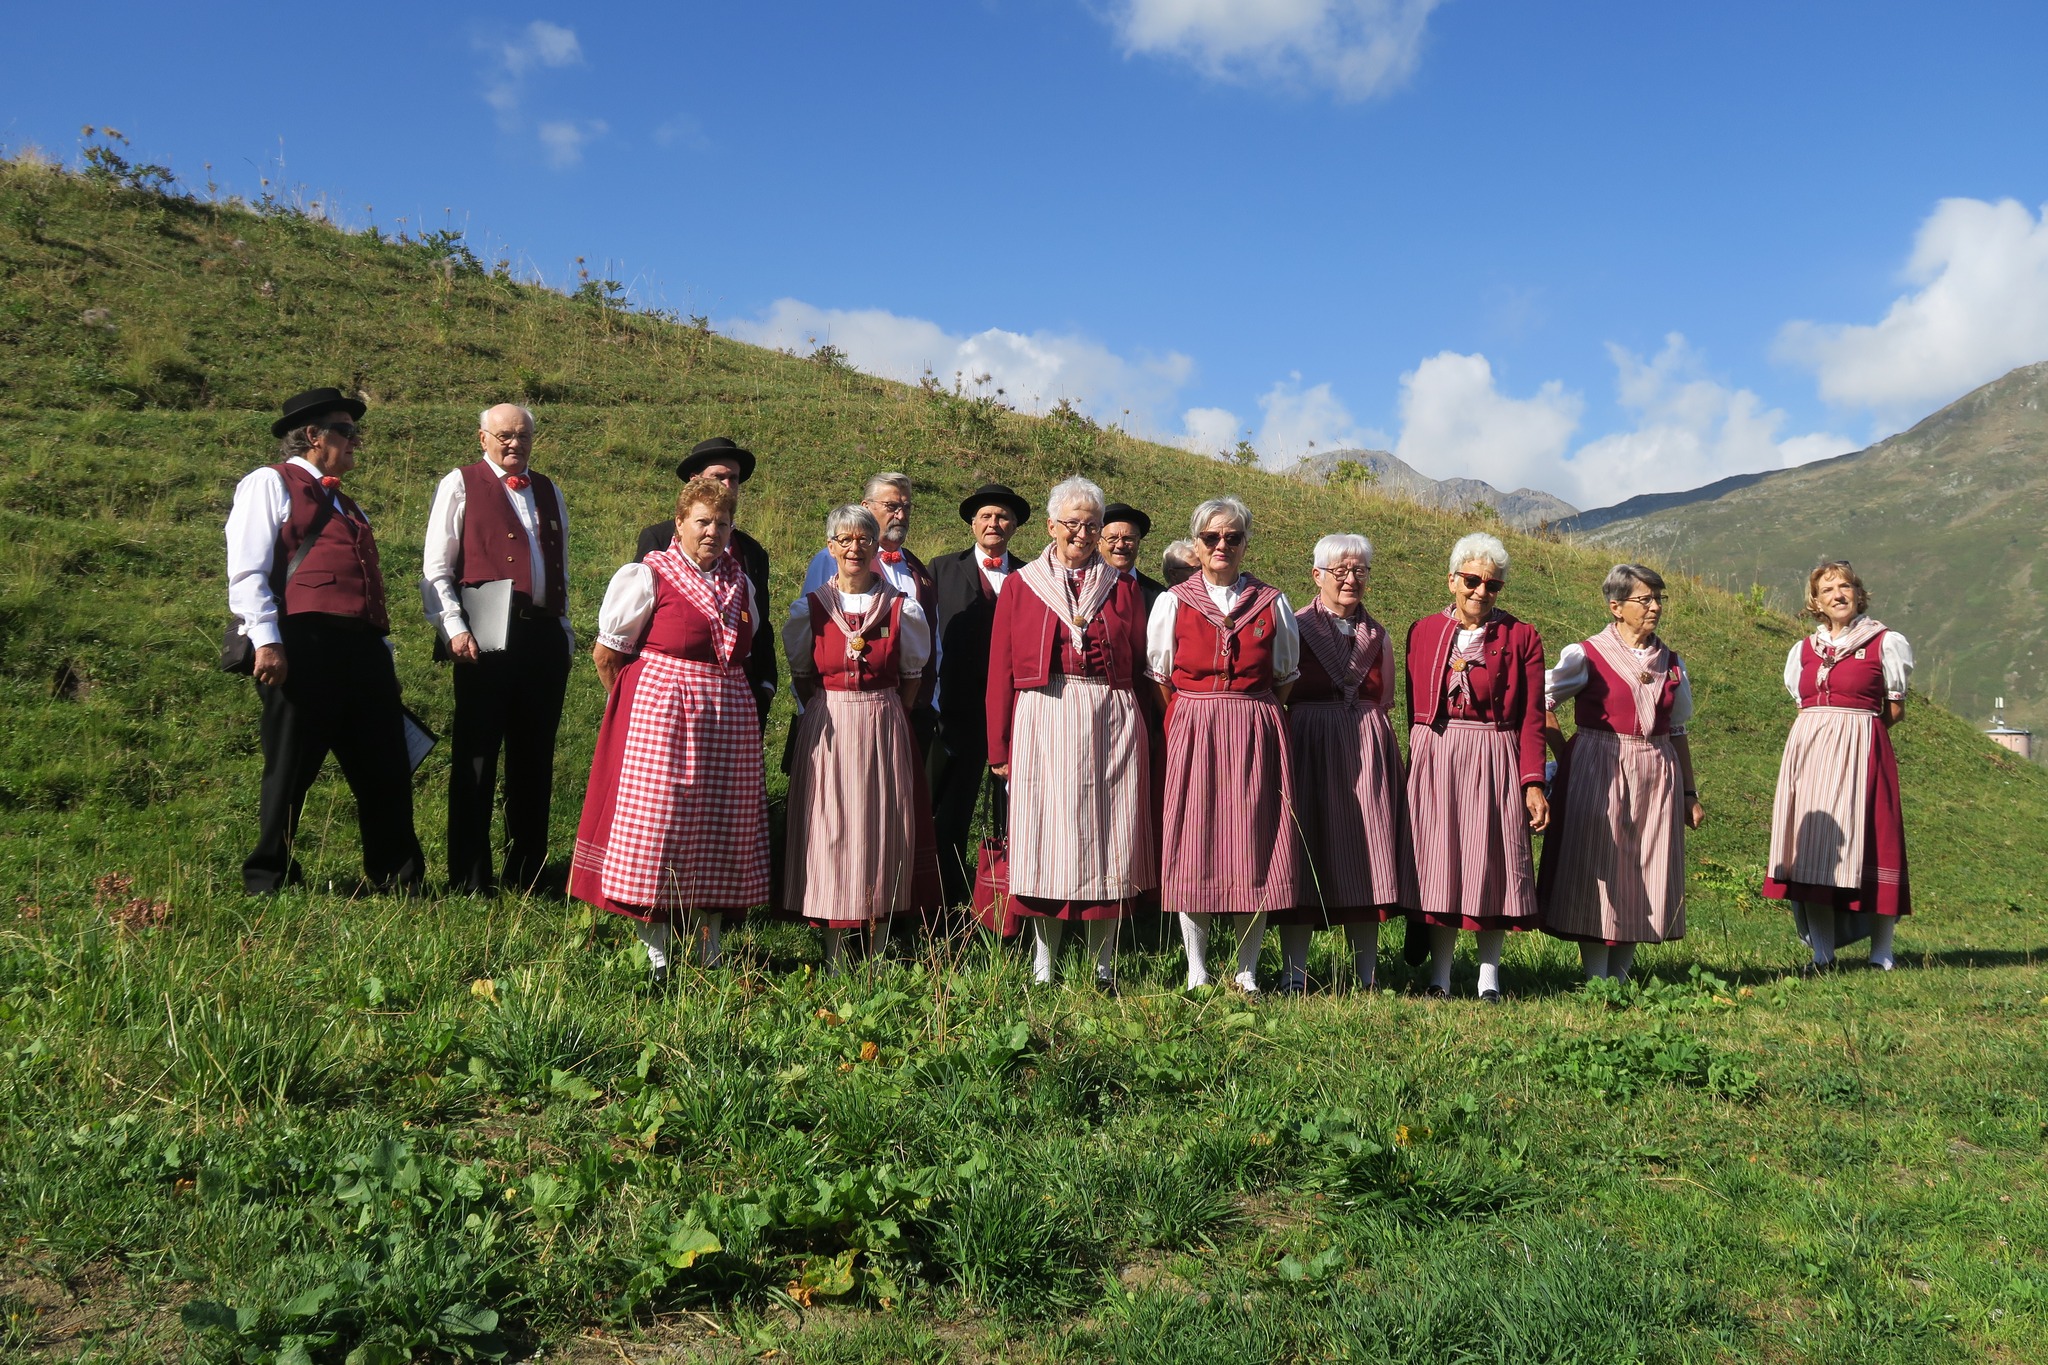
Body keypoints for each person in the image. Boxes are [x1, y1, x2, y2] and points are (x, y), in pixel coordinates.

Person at [570, 476, 769, 988]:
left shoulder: (740, 583)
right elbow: (608, 653)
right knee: (660, 825)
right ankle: (654, 952)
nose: (713, 532)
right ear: (679, 523)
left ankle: (711, 948)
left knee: (723, 823)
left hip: (727, 717)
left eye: (722, 523)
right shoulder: (649, 576)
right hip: (663, 716)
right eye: (702, 521)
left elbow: (744, 648)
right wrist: (635, 706)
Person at [227, 387, 425, 895]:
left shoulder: (346, 502)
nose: (357, 440)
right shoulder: (269, 483)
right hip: (302, 644)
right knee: (290, 767)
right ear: (313, 436)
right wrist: (268, 641)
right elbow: (248, 570)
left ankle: (398, 877)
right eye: (346, 430)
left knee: (385, 766)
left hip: (361, 651)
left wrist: (381, 650)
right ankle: (267, 877)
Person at [987, 477, 1156, 988]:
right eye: (1072, 524)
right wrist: (999, 746)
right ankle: (1044, 965)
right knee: (1046, 841)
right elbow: (1000, 669)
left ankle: (1103, 965)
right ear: (1050, 526)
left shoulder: (1123, 587)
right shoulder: (1023, 584)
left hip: (1110, 718)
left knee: (1109, 840)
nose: (1082, 534)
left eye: (1091, 525)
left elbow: (1145, 663)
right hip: (1045, 717)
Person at [1147, 496, 1302, 992]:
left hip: (1254, 724)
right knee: (1195, 843)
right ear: (1196, 544)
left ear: (1244, 543)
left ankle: (1247, 970)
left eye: (1232, 538)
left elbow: (1284, 675)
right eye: (1212, 537)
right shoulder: (1172, 602)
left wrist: (1249, 711)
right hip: (1193, 725)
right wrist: (1191, 715)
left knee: (1252, 843)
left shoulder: (1270, 601)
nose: (1221, 546)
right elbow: (1160, 676)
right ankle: (1197, 968)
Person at [420, 403, 574, 895]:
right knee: (478, 755)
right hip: (484, 635)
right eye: (505, 435)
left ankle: (528, 872)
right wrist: (452, 626)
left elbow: (560, 565)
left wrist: (565, 632)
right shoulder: (460, 483)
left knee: (534, 758)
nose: (515, 444)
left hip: (543, 637)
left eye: (523, 435)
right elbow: (436, 565)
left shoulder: (549, 490)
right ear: (482, 438)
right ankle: (468, 876)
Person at [784, 506, 940, 971]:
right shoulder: (810, 608)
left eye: (864, 540)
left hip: (883, 721)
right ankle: (834, 953)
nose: (855, 548)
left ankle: (875, 949)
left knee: (884, 827)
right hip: (829, 722)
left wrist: (883, 707)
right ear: (830, 547)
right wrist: (838, 703)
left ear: (877, 548)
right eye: (845, 540)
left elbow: (912, 675)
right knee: (830, 829)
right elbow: (803, 674)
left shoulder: (901, 607)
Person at [1538, 564, 1705, 980]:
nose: (1654, 607)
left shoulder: (1670, 662)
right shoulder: (1587, 654)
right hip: (1599, 765)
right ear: (1616, 606)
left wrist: (1689, 792)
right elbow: (1540, 701)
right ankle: (1597, 975)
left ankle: (1623, 974)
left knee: (1643, 868)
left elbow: (1678, 728)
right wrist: (1567, 752)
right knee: (1597, 863)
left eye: (1657, 600)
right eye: (1644, 599)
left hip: (1655, 771)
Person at [1403, 533, 1548, 1000]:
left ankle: (1489, 979)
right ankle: (1440, 977)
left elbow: (1531, 717)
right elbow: (1413, 708)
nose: (1480, 592)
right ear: (1452, 581)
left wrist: (1532, 781)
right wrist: (1418, 761)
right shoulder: (1423, 632)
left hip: (1494, 754)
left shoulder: (1521, 636)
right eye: (1471, 580)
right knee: (1441, 864)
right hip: (1439, 757)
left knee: (1493, 864)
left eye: (1492, 585)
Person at [1275, 534, 1417, 992]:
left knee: (1368, 852)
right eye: (1340, 571)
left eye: (1359, 571)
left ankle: (1367, 975)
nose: (1350, 579)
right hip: (1309, 748)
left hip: (1366, 754)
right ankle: (1294, 974)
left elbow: (1386, 698)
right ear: (1317, 575)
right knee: (1304, 849)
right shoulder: (1293, 627)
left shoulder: (1379, 635)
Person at [1760, 561, 1913, 973]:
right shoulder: (1803, 651)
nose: (1838, 595)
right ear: (1816, 601)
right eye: (1828, 590)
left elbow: (1894, 709)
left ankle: (1882, 951)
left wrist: (1860, 734)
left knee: (1875, 842)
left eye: (1845, 587)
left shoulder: (1885, 641)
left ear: (1859, 594)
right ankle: (1822, 953)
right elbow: (1803, 703)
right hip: (1809, 754)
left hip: (1863, 747)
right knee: (1812, 844)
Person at [929, 483, 1030, 911]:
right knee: (949, 813)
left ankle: (1008, 905)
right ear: (973, 523)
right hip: (956, 713)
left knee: (1015, 816)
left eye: (1003, 517)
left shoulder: (1031, 576)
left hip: (1015, 716)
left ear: (1015, 527)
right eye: (986, 516)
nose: (994, 523)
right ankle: (947, 901)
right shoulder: (939, 570)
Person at [637, 438, 777, 730]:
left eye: (733, 478)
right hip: (671, 698)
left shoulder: (752, 552)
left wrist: (765, 685)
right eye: (719, 476)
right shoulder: (658, 541)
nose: (727, 485)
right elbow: (639, 622)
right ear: (695, 481)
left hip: (740, 693)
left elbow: (761, 625)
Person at [803, 473, 940, 760]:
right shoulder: (831, 560)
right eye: (892, 506)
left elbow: (933, 643)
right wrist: (808, 707)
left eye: (906, 507)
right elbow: (811, 632)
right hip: (842, 713)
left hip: (912, 710)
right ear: (866, 507)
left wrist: (932, 701)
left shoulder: (918, 570)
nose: (901, 515)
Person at [1102, 503, 1167, 611]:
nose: (1120, 545)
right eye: (1112, 538)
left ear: (1138, 542)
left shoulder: (1158, 596)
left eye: (1128, 538)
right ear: (1099, 543)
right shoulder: (1082, 588)